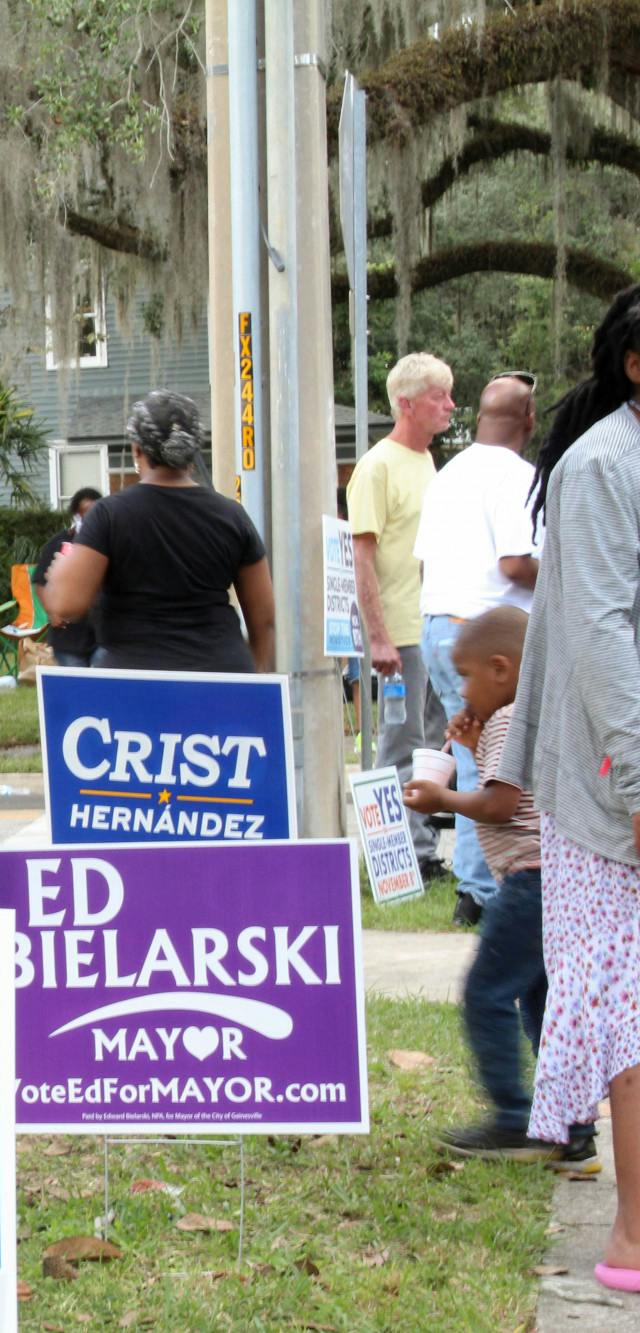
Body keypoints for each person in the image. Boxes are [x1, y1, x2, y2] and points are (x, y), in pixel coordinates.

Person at [500, 285, 640, 1294]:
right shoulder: (602, 468)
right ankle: (630, 1237)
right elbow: (601, 638)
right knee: (630, 1020)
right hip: (612, 788)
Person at [403, 607, 596, 1168]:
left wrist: (441, 801)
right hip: (550, 881)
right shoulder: (514, 722)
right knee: (540, 1003)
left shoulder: (512, 719)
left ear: (502, 669)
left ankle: (515, 1119)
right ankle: (570, 1128)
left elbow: (500, 803)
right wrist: (475, 739)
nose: (459, 689)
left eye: (465, 675)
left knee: (486, 993)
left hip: (532, 882)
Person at [411, 374, 542, 926]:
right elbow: (515, 563)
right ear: (530, 422)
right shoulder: (519, 475)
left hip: (441, 625)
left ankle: (474, 889)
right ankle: (493, 889)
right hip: (493, 637)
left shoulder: (448, 473)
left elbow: (423, 560)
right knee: (506, 768)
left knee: (472, 760)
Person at [41, 392, 274, 672]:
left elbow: (67, 604)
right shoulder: (233, 516)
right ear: (192, 450)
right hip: (220, 675)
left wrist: (58, 574)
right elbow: (264, 620)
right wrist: (255, 674)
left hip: (136, 683)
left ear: (137, 449)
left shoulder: (109, 515)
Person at [352, 351, 454, 877]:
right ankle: (394, 860)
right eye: (440, 397)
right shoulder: (377, 466)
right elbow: (362, 556)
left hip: (432, 625)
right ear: (408, 404)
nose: (450, 406)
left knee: (432, 743)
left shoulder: (425, 461)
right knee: (399, 745)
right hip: (399, 634)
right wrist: (379, 637)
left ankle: (422, 848)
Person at [33, 487, 103, 668]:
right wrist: (52, 612)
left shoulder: (107, 543)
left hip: (101, 634)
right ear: (75, 515)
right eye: (84, 513)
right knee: (77, 685)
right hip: (67, 637)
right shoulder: (58, 543)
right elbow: (40, 582)